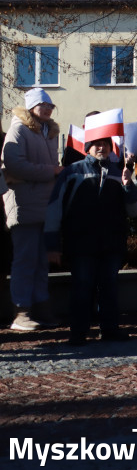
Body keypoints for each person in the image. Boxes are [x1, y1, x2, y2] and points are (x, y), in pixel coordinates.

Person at [44, 137, 137, 344]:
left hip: (112, 242)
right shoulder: (72, 172)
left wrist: (128, 184)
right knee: (82, 286)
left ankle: (110, 330)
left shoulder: (119, 171)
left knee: (109, 286)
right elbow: (54, 209)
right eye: (96, 144)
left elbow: (135, 210)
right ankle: (78, 333)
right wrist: (52, 244)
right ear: (88, 148)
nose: (101, 147)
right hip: (81, 242)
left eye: (105, 144)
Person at [3, 88, 63, 331]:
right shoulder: (19, 129)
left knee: (40, 261)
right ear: (31, 107)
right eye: (42, 105)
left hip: (43, 204)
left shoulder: (47, 132)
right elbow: (13, 165)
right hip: (25, 203)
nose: (48, 108)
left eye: (50, 105)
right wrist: (52, 171)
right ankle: (21, 312)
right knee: (25, 260)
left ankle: (40, 307)